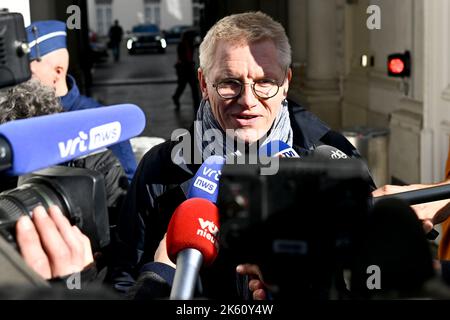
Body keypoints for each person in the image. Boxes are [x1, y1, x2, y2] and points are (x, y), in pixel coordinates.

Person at [111, 11, 373, 299]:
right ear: (203, 83)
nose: (248, 101)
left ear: (286, 82)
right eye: (229, 83)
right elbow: (124, 278)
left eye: (265, 82)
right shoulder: (161, 167)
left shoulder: (332, 158)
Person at [25, 20, 137, 183]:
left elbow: (126, 193)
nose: (20, 82)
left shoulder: (101, 122)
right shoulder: (15, 118)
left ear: (58, 71)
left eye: (28, 74)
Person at [172, 30, 200, 113]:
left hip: (188, 68)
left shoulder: (189, 44)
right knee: (184, 86)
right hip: (184, 69)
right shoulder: (182, 45)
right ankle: (176, 97)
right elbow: (183, 58)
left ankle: (196, 104)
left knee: (192, 87)